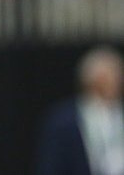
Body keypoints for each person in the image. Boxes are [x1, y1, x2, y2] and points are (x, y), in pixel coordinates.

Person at [36, 45, 124, 175]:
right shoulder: (64, 121)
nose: (114, 82)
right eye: (107, 77)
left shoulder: (119, 113)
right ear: (91, 80)